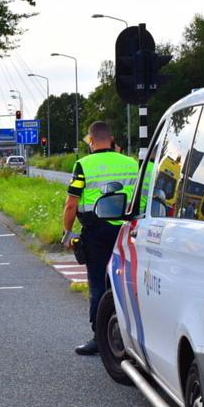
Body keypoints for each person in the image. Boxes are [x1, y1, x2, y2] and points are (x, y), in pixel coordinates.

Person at [62, 122, 138, 355]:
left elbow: (71, 203)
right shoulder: (132, 163)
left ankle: (99, 338)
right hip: (128, 230)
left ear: (91, 140)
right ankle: (132, 335)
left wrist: (67, 233)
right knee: (129, 282)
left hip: (97, 231)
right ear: (112, 139)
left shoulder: (84, 165)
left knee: (97, 283)